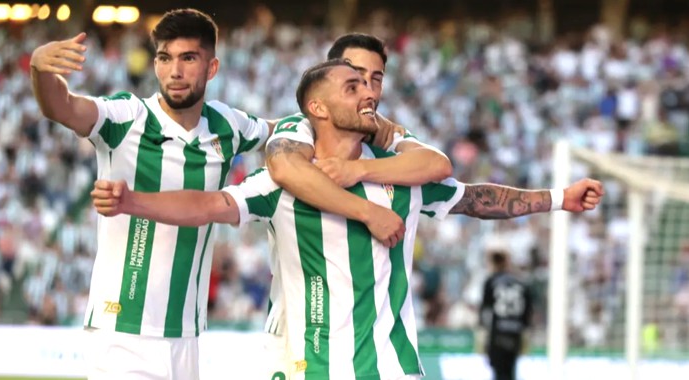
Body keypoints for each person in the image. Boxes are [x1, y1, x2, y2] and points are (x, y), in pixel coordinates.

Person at [91, 60, 604, 379]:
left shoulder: (398, 174)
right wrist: (131, 201)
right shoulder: (287, 177)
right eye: (352, 86)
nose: (369, 94)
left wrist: (560, 197)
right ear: (316, 106)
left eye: (370, 84)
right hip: (310, 369)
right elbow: (211, 206)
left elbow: (475, 197)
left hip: (392, 366)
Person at [479, 249, 533, 380]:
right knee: (510, 371)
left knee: (499, 372)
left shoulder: (491, 282)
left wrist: (483, 335)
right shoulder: (522, 284)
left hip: (497, 334)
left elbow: (485, 312)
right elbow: (527, 312)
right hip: (515, 333)